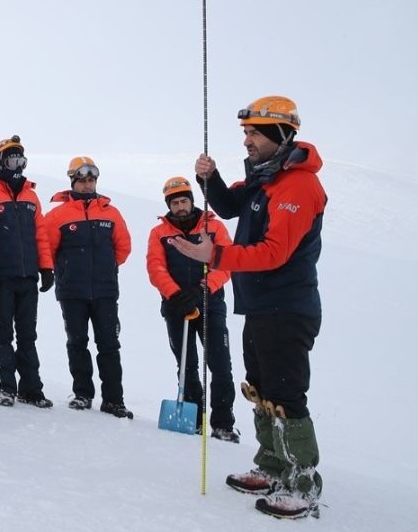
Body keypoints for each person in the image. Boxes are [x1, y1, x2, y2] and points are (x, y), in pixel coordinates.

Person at [169, 95, 326, 519]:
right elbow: (229, 205)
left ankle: (302, 484)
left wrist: (216, 258)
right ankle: (273, 466)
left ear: (278, 134)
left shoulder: (299, 185)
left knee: (286, 394)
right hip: (260, 306)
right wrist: (210, 178)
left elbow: (274, 253)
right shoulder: (267, 177)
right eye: (245, 133)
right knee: (262, 389)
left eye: (254, 133)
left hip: (288, 307)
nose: (247, 141)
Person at [146, 176, 238, 440]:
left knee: (220, 364)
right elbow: (156, 267)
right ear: (169, 205)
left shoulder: (213, 228)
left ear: (192, 201)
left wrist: (202, 289)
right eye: (174, 203)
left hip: (211, 305)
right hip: (176, 307)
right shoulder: (160, 233)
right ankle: (193, 420)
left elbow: (226, 262)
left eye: (184, 200)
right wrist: (175, 294)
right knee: (187, 365)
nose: (180, 206)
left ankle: (223, 424)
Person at [0, 135, 55, 408]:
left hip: (28, 276)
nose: (17, 164)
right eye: (11, 158)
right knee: (3, 334)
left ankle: (31, 388)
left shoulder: (31, 196)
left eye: (21, 159)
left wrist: (46, 267)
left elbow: (41, 235)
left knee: (28, 334)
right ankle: (6, 387)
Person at [44, 157, 133, 418]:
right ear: (73, 181)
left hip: (105, 291)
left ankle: (114, 400)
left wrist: (105, 268)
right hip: (72, 291)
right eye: (82, 181)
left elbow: (123, 247)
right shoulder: (58, 215)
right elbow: (47, 250)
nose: (87, 185)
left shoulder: (110, 212)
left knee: (109, 344)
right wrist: (67, 272)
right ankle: (83, 394)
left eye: (91, 180)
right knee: (77, 342)